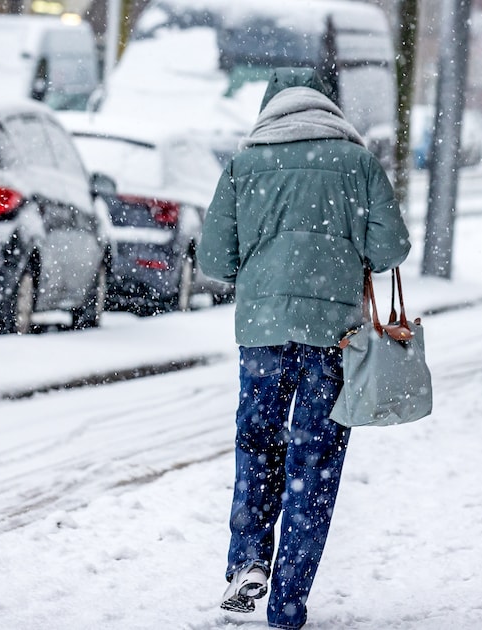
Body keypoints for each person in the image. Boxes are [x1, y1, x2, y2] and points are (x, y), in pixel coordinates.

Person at [197, 67, 410, 629]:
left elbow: (213, 260)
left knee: (257, 444)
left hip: (263, 335)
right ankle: (287, 603)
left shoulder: (244, 164)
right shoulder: (358, 163)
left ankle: (248, 560)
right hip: (332, 337)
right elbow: (391, 250)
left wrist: (261, 268)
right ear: (328, 106)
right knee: (313, 462)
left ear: (269, 109)